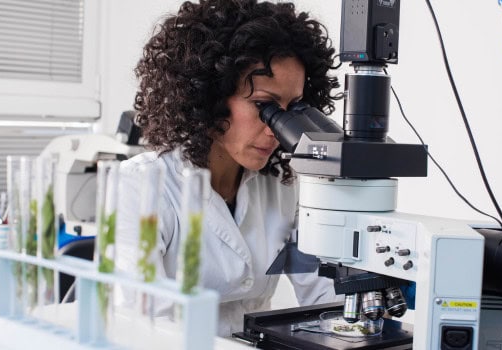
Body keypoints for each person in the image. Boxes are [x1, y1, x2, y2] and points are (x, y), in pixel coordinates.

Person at [116, 0, 341, 337]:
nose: (275, 128)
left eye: (292, 109)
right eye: (264, 107)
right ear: (211, 98)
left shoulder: (281, 186)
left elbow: (323, 294)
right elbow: (148, 325)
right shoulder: (142, 186)